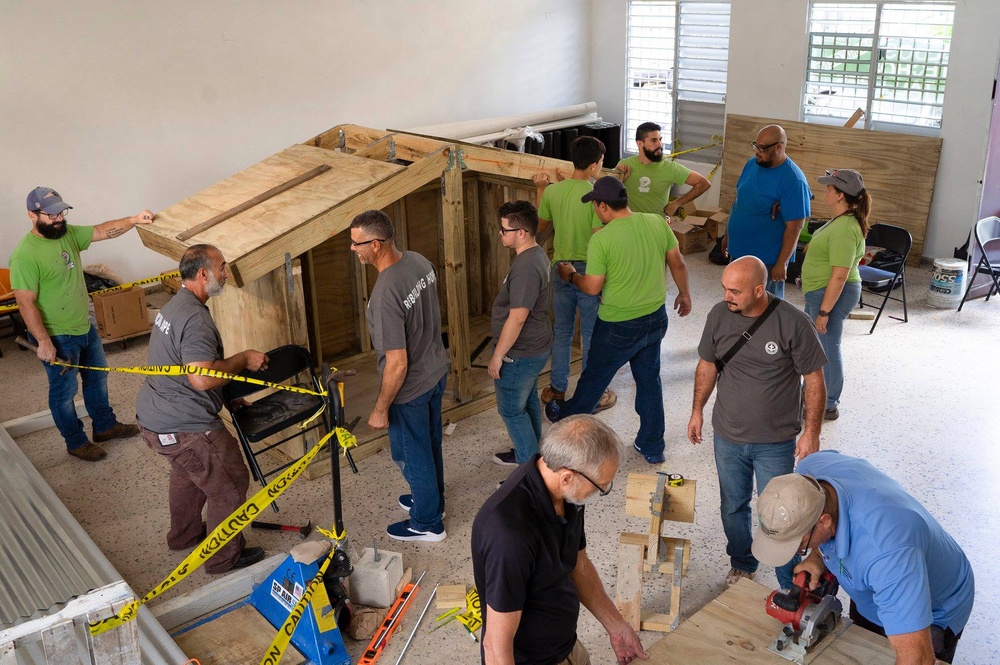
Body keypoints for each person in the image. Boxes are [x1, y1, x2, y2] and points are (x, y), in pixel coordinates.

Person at [753, 451, 974, 665]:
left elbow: (918, 659)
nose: (800, 549)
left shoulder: (887, 555)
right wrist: (817, 556)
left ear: (824, 521)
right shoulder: (811, 470)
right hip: (877, 587)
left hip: (935, 604)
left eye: (800, 544)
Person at [687, 256, 826, 590]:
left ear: (759, 290)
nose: (726, 296)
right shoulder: (719, 316)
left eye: (734, 291)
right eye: (724, 288)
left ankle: (788, 580)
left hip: (775, 442)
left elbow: (815, 381)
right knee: (732, 506)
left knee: (781, 514)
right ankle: (742, 562)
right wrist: (697, 410)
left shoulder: (793, 323)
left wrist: (812, 432)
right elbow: (707, 365)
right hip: (728, 436)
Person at [472, 415, 649, 665]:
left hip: (566, 646)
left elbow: (579, 565)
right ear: (566, 476)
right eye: (601, 487)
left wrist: (617, 626)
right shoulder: (509, 533)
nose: (599, 493)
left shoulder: (569, 495)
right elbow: (496, 648)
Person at [135, 244, 267, 573]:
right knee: (231, 482)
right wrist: (245, 359)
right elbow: (202, 378)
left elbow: (184, 367)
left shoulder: (174, 307)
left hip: (155, 421)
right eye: (222, 267)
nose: (225, 273)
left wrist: (225, 398)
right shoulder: (196, 319)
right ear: (204, 273)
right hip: (185, 425)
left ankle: (184, 536)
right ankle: (223, 559)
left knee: (188, 473)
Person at [546, 176, 692, 465]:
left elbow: (592, 287)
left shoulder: (602, 239)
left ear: (603, 206)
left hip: (618, 326)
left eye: (595, 206)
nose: (595, 211)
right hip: (655, 320)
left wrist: (570, 275)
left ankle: (564, 431)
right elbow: (678, 262)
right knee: (649, 382)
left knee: (593, 382)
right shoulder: (655, 222)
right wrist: (685, 294)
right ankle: (652, 445)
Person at [10, 186, 153, 462]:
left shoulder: (68, 234)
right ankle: (76, 442)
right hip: (57, 336)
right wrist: (43, 342)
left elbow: (102, 230)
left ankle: (105, 426)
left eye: (60, 212)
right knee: (64, 393)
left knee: (97, 378)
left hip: (83, 326)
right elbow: (25, 304)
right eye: (50, 215)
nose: (58, 219)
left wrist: (133, 220)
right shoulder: (25, 256)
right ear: (32, 215)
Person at [350, 210, 451, 542]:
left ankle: (426, 522)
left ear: (376, 244)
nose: (353, 249)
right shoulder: (418, 262)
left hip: (411, 388)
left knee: (411, 452)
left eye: (357, 243)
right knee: (429, 443)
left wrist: (380, 408)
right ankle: (432, 501)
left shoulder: (384, 294)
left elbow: (396, 363)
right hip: (436, 371)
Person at [534, 136, 616, 413]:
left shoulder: (553, 192)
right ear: (594, 165)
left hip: (559, 267)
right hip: (588, 271)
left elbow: (541, 228)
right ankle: (593, 392)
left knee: (563, 332)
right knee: (592, 333)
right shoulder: (595, 196)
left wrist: (542, 190)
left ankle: (557, 389)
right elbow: (598, 239)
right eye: (602, 163)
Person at [487, 201, 553, 467]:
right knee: (526, 402)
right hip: (533, 347)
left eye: (504, 230)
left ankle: (529, 475)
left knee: (512, 410)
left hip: (520, 353)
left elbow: (518, 317)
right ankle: (529, 453)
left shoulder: (526, 267)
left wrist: (497, 356)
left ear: (521, 232)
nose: (500, 234)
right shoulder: (534, 255)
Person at [800, 169, 869, 421]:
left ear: (841, 195)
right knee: (818, 346)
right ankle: (814, 392)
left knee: (827, 347)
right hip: (821, 292)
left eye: (829, 189)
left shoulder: (844, 228)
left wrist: (824, 311)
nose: (825, 191)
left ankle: (828, 404)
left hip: (829, 295)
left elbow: (840, 276)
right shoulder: (840, 220)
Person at [725, 125, 812, 298]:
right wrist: (728, 235)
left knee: (764, 308)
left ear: (778, 147)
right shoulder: (752, 164)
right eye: (755, 145)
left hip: (767, 260)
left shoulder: (793, 180)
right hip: (739, 251)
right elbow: (739, 200)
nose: (757, 151)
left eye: (762, 148)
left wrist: (782, 263)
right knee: (736, 300)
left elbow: (795, 226)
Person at [615, 121, 711, 218]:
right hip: (631, 224)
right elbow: (610, 195)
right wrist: (619, 177)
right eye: (653, 140)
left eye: (660, 139)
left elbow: (704, 183)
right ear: (640, 144)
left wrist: (677, 203)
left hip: (656, 227)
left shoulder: (670, 168)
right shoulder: (624, 165)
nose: (660, 144)